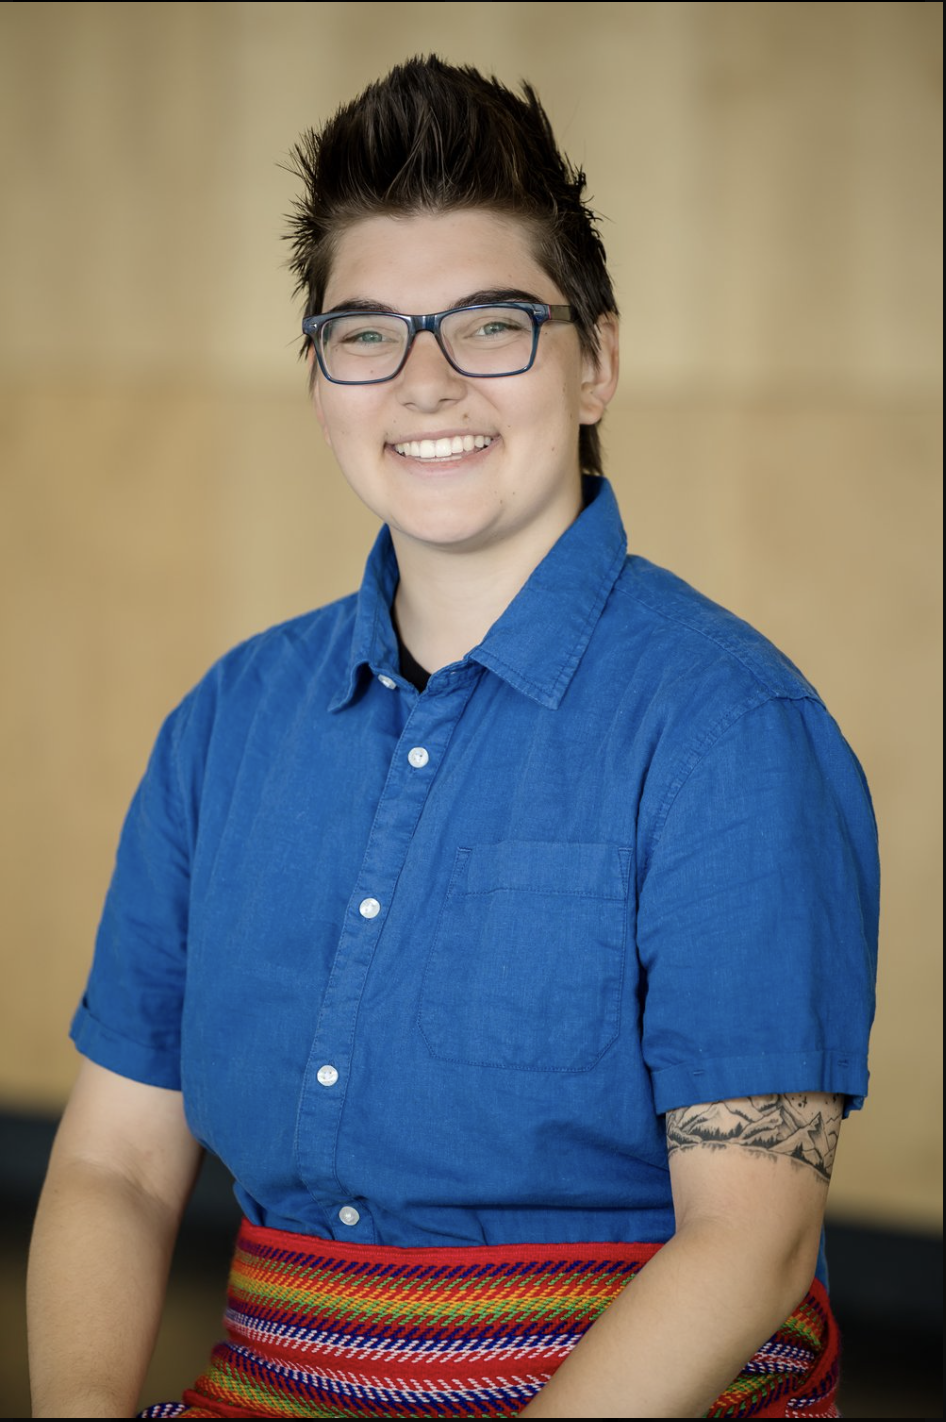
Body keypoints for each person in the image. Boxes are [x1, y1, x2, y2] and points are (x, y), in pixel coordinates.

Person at [27, 56, 878, 1419]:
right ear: (321, 382)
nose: (424, 383)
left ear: (596, 363)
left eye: (491, 325)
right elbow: (115, 1166)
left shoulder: (729, 731)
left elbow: (751, 1245)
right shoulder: (226, 723)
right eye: (365, 334)